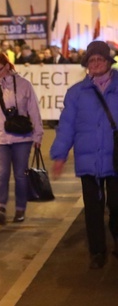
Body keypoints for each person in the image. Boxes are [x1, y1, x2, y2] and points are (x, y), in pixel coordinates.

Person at [51, 41, 118, 269]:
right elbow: (67, 126)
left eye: (100, 59)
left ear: (109, 62)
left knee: (116, 206)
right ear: (87, 65)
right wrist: (60, 155)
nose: (96, 64)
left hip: (115, 158)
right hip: (88, 160)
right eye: (92, 61)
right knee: (92, 208)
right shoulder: (76, 94)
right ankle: (97, 252)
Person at [0, 53, 43, 226]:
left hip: (22, 138)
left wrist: (38, 134)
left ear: (8, 66)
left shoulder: (24, 85)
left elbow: (34, 111)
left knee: (21, 175)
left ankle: (20, 209)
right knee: (1, 174)